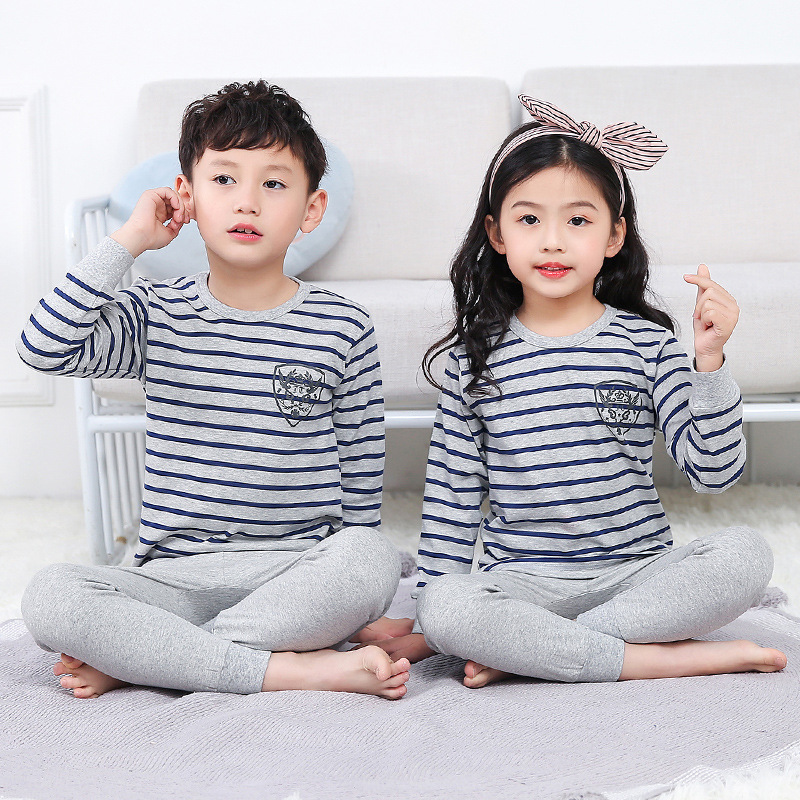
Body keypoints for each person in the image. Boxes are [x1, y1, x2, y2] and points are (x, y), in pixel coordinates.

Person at [354, 96, 787, 687]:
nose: (553, 241)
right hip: (522, 584)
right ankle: (658, 657)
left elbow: (715, 473)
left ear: (614, 235)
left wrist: (708, 363)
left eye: (578, 221)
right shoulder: (470, 360)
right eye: (529, 220)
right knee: (451, 607)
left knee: (746, 555)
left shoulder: (647, 344)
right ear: (496, 234)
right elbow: (453, 497)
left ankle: (539, 651)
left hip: (636, 574)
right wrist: (434, 611)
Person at [17, 81, 410, 700]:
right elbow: (41, 347)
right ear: (187, 195)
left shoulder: (343, 324)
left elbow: (361, 470)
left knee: (372, 557)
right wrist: (129, 240)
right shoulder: (155, 313)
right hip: (173, 580)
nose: (247, 202)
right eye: (224, 179)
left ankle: (150, 658)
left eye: (273, 184)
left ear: (311, 209)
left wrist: (355, 601)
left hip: (295, 573)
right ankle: (286, 668)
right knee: (51, 596)